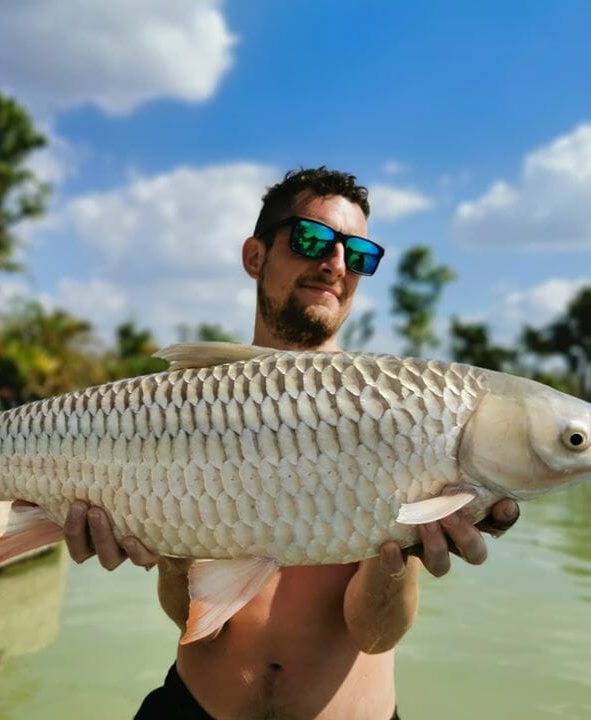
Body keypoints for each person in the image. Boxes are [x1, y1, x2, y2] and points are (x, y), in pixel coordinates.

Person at [63, 168, 520, 719]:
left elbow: (374, 635)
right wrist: (166, 554)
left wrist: (400, 553)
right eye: (312, 240)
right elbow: (190, 618)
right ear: (255, 256)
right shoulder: (185, 407)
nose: (335, 264)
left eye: (360, 254)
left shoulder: (399, 413)